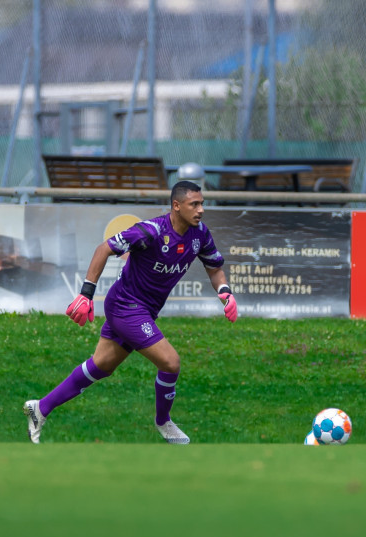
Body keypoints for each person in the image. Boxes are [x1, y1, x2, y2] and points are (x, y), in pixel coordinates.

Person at [23, 181, 238, 445]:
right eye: (195, 204)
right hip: (126, 306)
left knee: (100, 366)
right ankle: (164, 422)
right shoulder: (151, 231)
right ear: (176, 206)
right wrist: (85, 294)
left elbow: (214, 267)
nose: (201, 209)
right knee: (171, 362)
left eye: (202, 203)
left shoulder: (200, 234)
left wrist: (225, 292)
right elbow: (104, 249)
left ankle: (40, 408)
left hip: (144, 310)